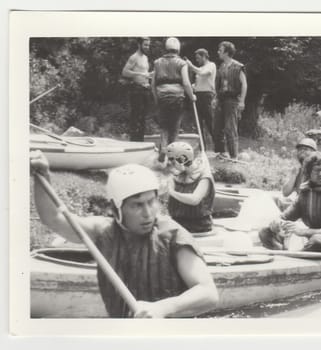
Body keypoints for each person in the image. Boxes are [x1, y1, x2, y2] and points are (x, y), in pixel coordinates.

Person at [30, 150, 218, 318]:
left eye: (151, 201)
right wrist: (43, 177)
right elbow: (53, 218)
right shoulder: (103, 231)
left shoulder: (173, 235)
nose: (148, 212)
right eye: (137, 205)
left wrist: (162, 308)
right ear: (117, 209)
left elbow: (208, 293)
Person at [259, 152, 321, 253]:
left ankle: (294, 254)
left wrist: (303, 232)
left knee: (318, 240)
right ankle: (282, 252)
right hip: (312, 237)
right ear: (309, 172)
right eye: (316, 170)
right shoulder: (306, 192)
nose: (320, 174)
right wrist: (276, 223)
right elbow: (284, 217)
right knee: (264, 232)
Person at [152, 37, 196, 162]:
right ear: (178, 49)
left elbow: (153, 85)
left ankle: (163, 150)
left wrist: (157, 100)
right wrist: (192, 96)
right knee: (174, 128)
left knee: (164, 127)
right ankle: (172, 158)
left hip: (162, 98)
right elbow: (186, 83)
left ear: (166, 48)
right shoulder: (182, 63)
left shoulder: (157, 62)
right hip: (177, 99)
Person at [165, 142, 215, 235]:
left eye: (172, 161)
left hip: (199, 226)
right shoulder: (175, 176)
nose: (170, 164)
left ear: (182, 159)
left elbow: (194, 199)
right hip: (177, 223)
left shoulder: (204, 177)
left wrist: (172, 192)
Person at [214, 41, 247, 159]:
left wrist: (242, 101)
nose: (218, 52)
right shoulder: (221, 66)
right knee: (217, 127)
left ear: (227, 53)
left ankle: (234, 156)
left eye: (220, 50)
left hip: (232, 100)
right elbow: (218, 85)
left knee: (230, 128)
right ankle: (222, 153)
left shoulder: (238, 66)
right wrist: (216, 98)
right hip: (221, 99)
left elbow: (244, 85)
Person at [185, 48, 217, 150]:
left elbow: (203, 73)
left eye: (198, 58)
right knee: (198, 124)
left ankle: (220, 148)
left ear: (204, 56)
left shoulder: (211, 65)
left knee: (210, 122)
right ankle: (203, 149)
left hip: (207, 96)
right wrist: (193, 86)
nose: (197, 60)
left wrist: (190, 66)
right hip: (198, 96)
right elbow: (199, 82)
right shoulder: (200, 68)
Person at [121, 37, 152, 141]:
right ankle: (134, 141)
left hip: (145, 89)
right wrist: (139, 73)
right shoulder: (134, 57)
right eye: (145, 45)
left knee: (143, 118)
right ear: (139, 45)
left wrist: (149, 75)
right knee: (136, 117)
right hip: (136, 89)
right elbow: (124, 72)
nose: (147, 47)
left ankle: (141, 141)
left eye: (148, 45)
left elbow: (145, 73)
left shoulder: (145, 58)